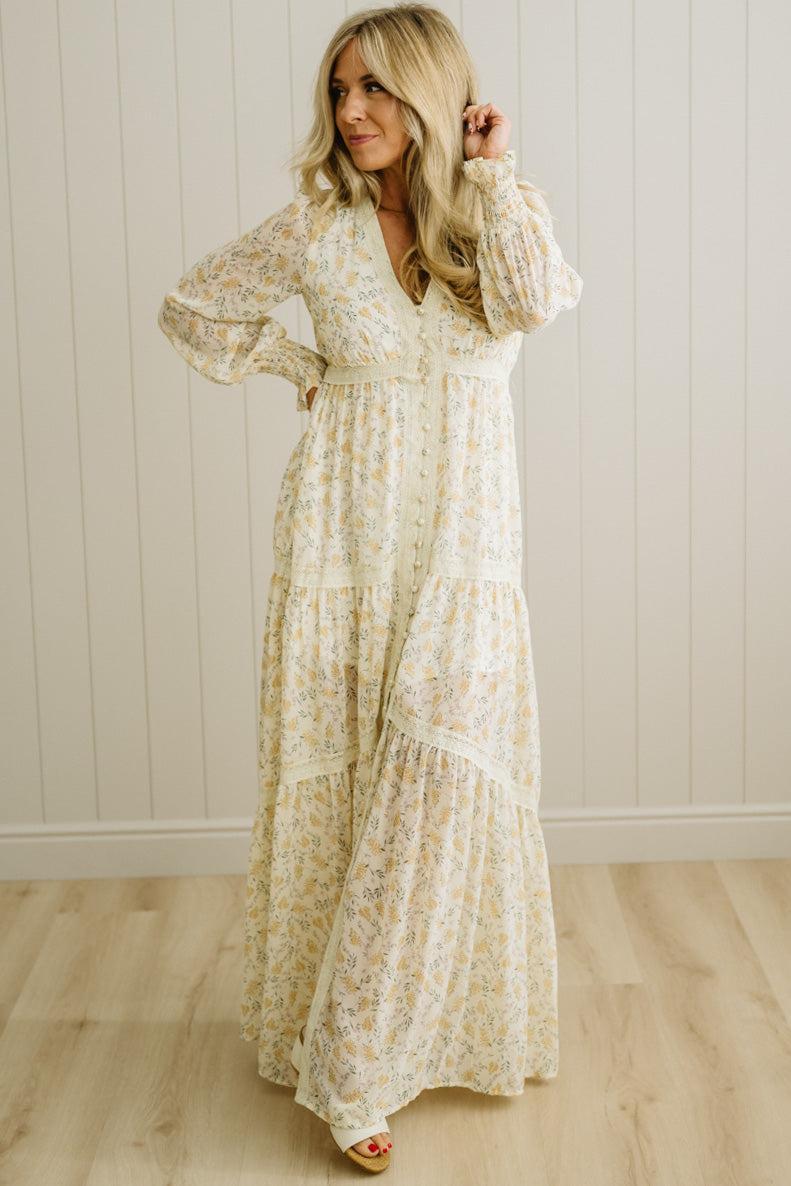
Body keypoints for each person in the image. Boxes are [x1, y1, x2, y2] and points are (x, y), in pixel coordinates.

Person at [158, 3, 582, 1174]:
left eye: (376, 89)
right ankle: (347, 1053)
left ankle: (379, 1042)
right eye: (338, 89)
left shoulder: (492, 222)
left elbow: (539, 298)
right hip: (342, 546)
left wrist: (494, 172)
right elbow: (192, 308)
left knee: (437, 782)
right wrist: (302, 365)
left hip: (464, 554)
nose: (348, 112)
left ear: (435, 98)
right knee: (353, 788)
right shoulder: (313, 231)